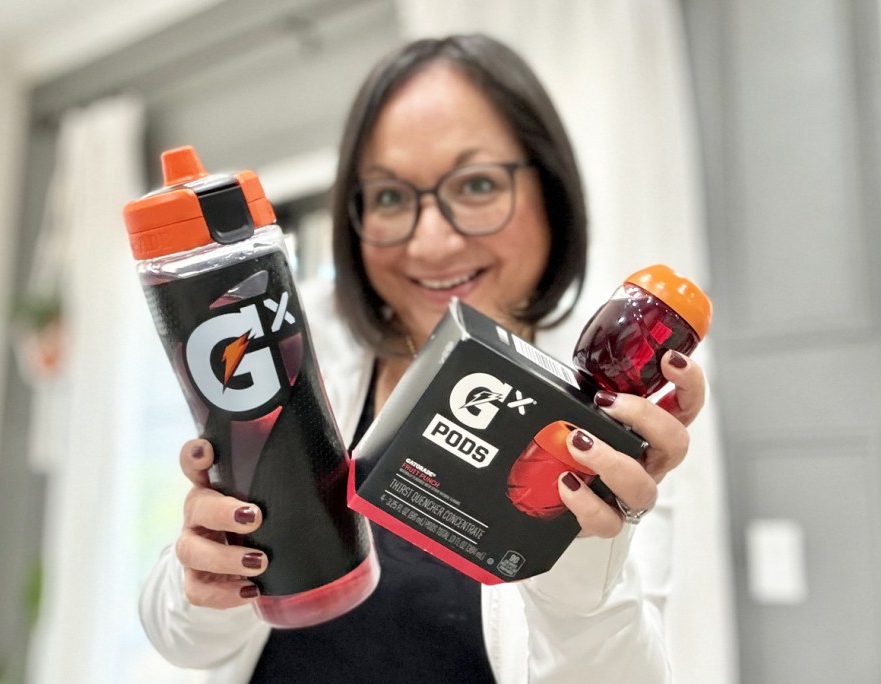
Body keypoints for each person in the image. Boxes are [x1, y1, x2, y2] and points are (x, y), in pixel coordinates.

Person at [139, 34, 706, 683]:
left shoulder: (611, 423)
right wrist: (209, 577)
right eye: (388, 197)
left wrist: (581, 578)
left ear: (550, 192)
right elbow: (186, 645)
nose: (432, 243)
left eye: (478, 184)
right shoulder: (287, 343)